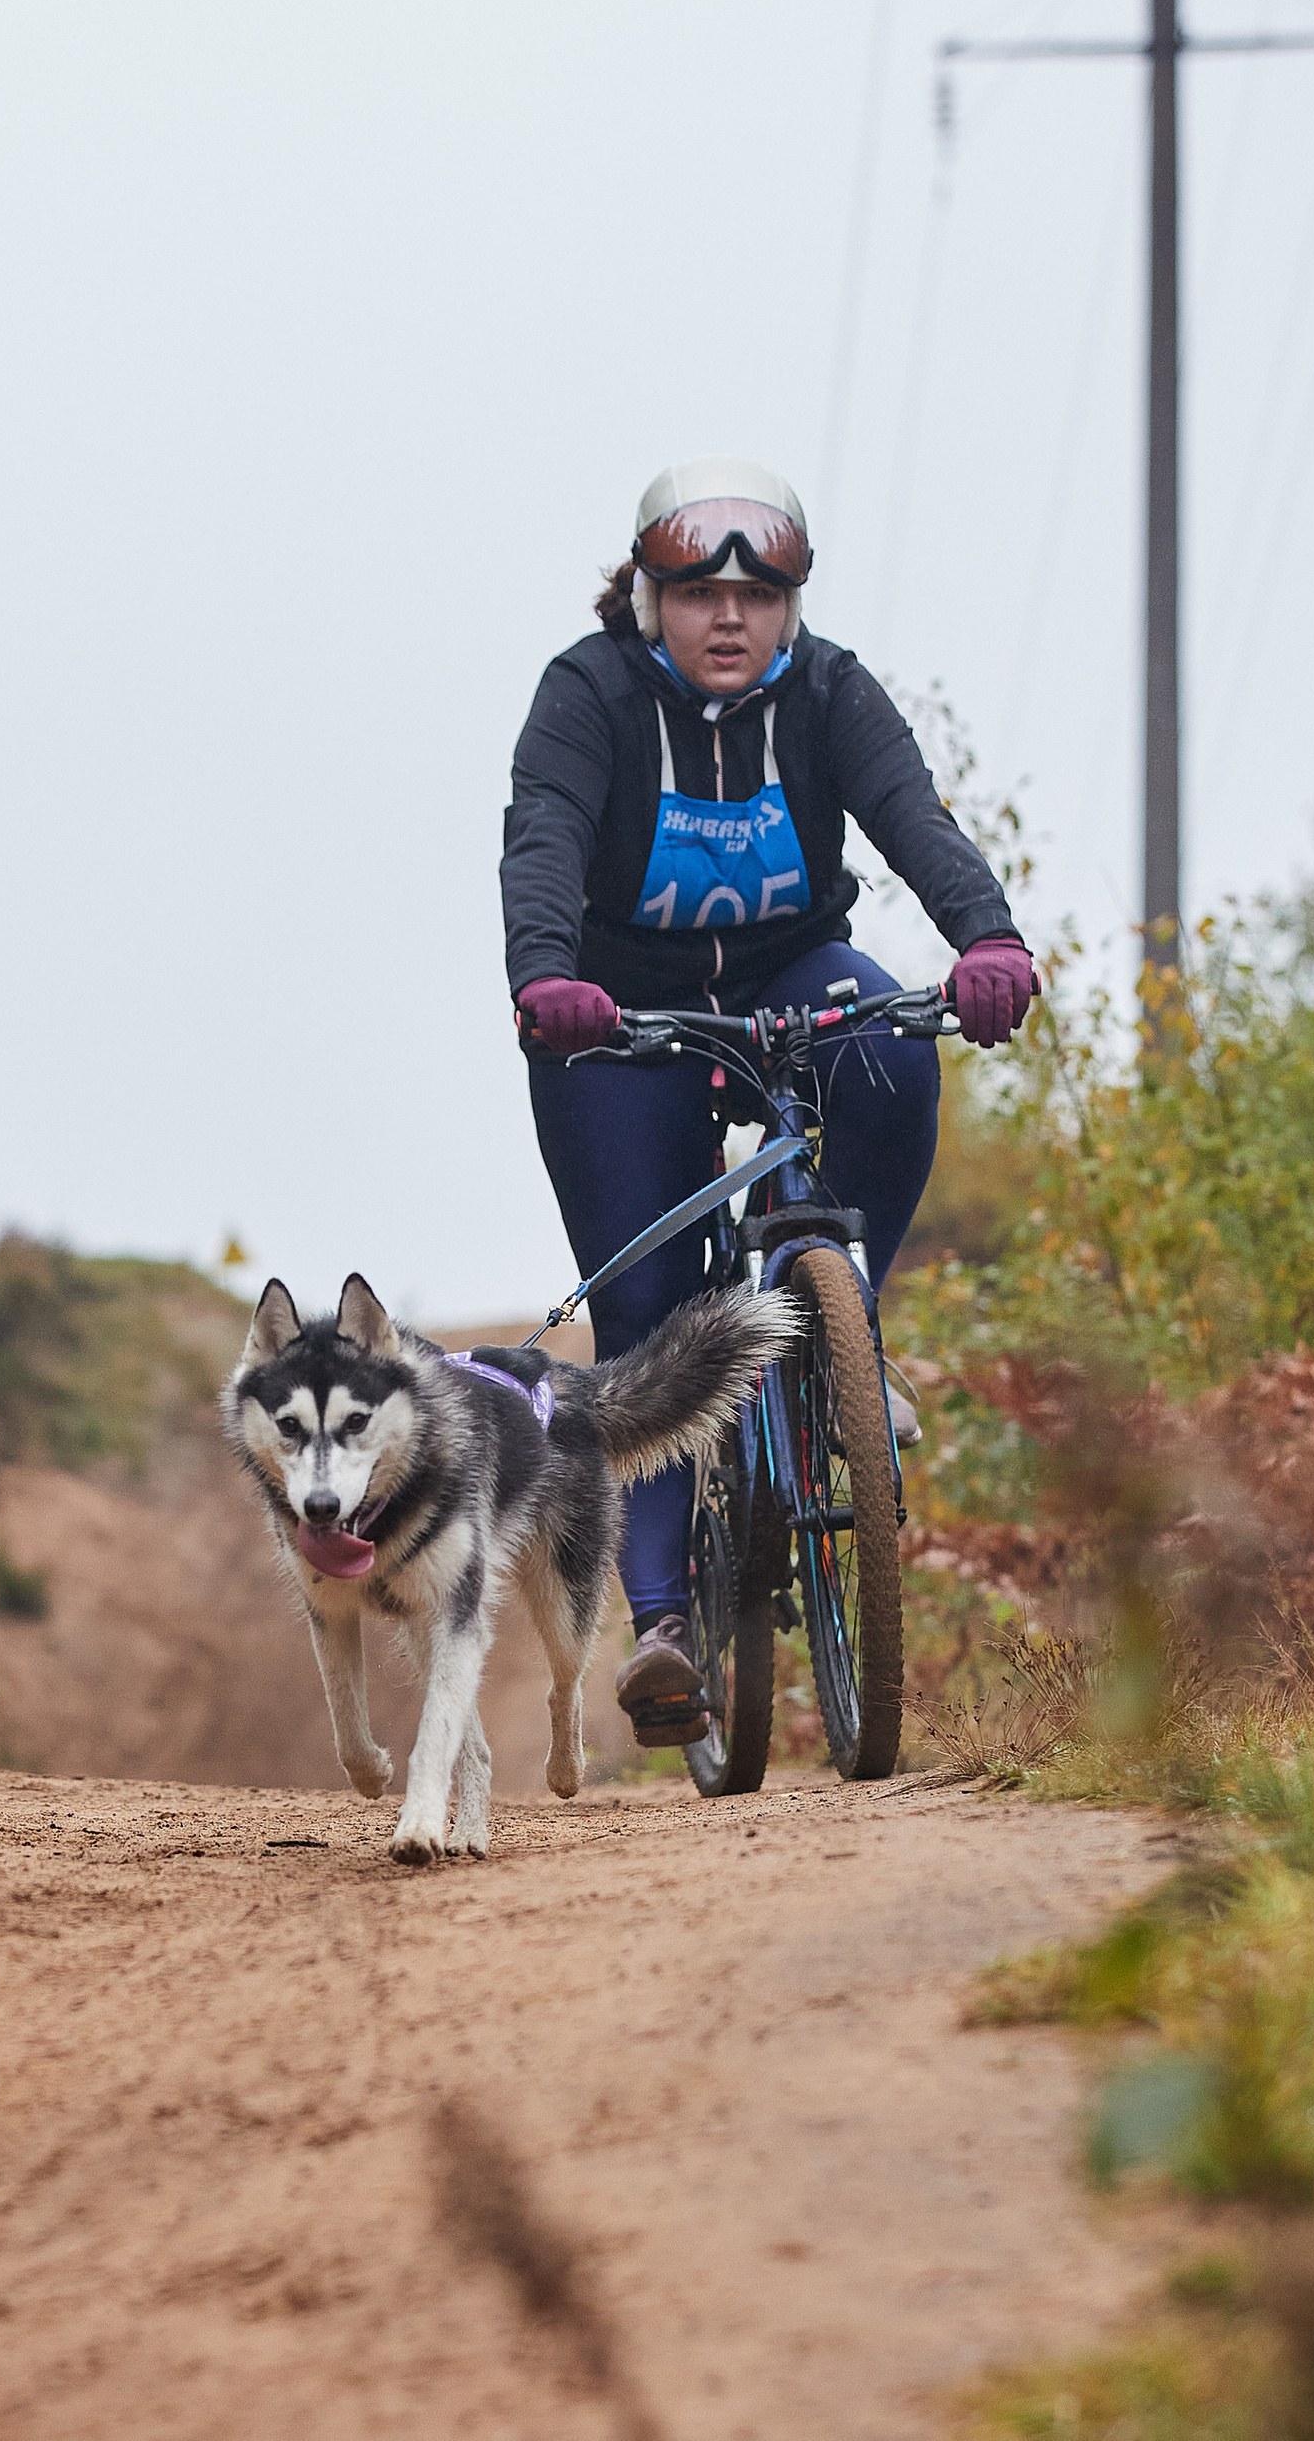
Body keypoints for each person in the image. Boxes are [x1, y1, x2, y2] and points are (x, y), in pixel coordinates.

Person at [498, 456, 1036, 1733]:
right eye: (698, 594)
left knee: (892, 1050)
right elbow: (545, 834)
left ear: (792, 604)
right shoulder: (587, 694)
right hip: (619, 1012)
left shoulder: (831, 690)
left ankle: (838, 1337)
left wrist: (988, 939)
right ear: (648, 597)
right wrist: (545, 977)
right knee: (647, 1312)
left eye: (759, 596)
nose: (730, 618)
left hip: (792, 975)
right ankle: (663, 1624)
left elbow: (913, 817)